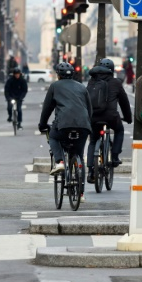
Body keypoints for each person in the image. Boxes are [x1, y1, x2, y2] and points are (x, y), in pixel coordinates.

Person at [39, 62, 93, 201]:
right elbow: (89, 109)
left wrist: (42, 124)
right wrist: (87, 124)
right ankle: (81, 193)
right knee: (79, 156)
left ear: (58, 75)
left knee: (53, 137)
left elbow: (47, 108)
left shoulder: (55, 86)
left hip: (63, 125)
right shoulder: (81, 87)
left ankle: (60, 162)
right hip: (83, 125)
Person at [86, 58, 132, 181]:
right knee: (119, 130)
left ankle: (90, 171)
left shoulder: (92, 81)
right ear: (111, 70)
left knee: (93, 140)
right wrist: (128, 118)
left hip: (93, 116)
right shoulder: (116, 82)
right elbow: (124, 102)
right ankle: (115, 156)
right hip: (111, 117)